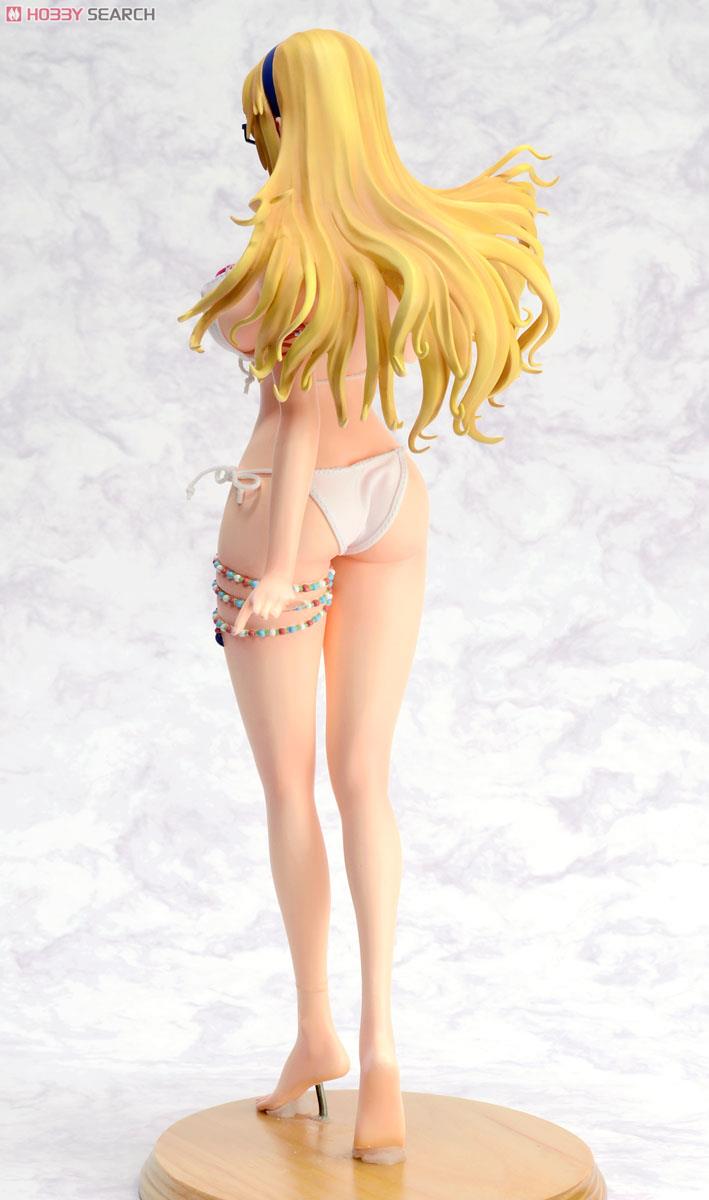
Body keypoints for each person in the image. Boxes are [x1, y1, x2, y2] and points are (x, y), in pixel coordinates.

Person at [178, 28, 560, 1165]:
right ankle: (383, 1053)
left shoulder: (286, 249)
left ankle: (317, 1032)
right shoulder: (402, 235)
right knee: (363, 781)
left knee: (291, 791)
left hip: (286, 511)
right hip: (392, 495)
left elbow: (294, 413)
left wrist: (281, 563)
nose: (254, 144)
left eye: (257, 125)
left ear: (286, 124)